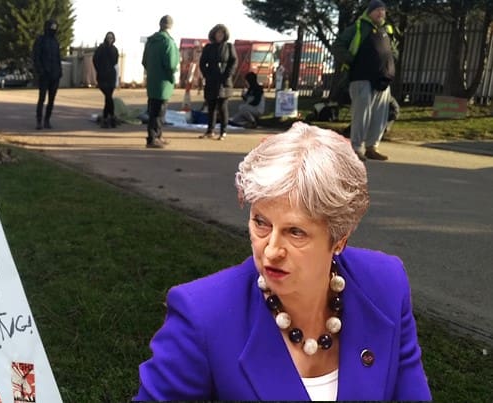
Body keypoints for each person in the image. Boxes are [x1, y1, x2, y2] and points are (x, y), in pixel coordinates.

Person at [134, 122, 431, 401]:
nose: (271, 250)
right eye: (261, 223)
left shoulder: (387, 285)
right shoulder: (203, 314)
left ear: (340, 238)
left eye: (295, 232)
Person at [332, 0, 397, 161]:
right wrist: (351, 60)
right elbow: (338, 45)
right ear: (369, 12)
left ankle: (371, 147)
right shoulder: (358, 28)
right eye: (377, 10)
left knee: (379, 115)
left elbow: (392, 50)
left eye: (383, 10)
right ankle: (356, 148)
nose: (381, 13)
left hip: (382, 79)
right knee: (362, 114)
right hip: (361, 78)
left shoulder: (386, 30)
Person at [142, 15, 180, 149]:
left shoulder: (151, 41)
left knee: (153, 109)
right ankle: (153, 138)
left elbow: (144, 61)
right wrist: (171, 75)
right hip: (164, 82)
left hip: (152, 81)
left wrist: (153, 72)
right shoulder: (168, 42)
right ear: (170, 26)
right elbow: (170, 64)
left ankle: (158, 136)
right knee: (159, 112)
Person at [198, 24, 237, 140]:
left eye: (221, 33)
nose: (219, 35)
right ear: (213, 34)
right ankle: (210, 130)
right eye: (217, 33)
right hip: (211, 81)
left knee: (223, 107)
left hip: (224, 82)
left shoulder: (229, 47)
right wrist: (207, 74)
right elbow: (202, 63)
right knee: (211, 107)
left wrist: (227, 74)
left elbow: (233, 62)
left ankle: (223, 131)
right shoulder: (208, 47)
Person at [32, 18, 62, 130]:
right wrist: (40, 70)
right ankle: (39, 121)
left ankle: (47, 120)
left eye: (55, 27)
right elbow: (36, 56)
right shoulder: (40, 40)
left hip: (55, 75)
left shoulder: (55, 42)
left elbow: (58, 58)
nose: (53, 29)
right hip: (44, 75)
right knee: (42, 98)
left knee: (51, 100)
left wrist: (60, 72)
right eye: (52, 27)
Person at [93, 31, 120, 128]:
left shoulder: (114, 50)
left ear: (113, 39)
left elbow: (115, 61)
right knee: (108, 97)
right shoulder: (101, 49)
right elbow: (95, 60)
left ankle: (105, 118)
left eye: (111, 38)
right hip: (102, 77)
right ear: (105, 38)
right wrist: (99, 70)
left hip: (111, 76)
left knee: (108, 98)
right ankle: (111, 117)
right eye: (108, 37)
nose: (109, 39)